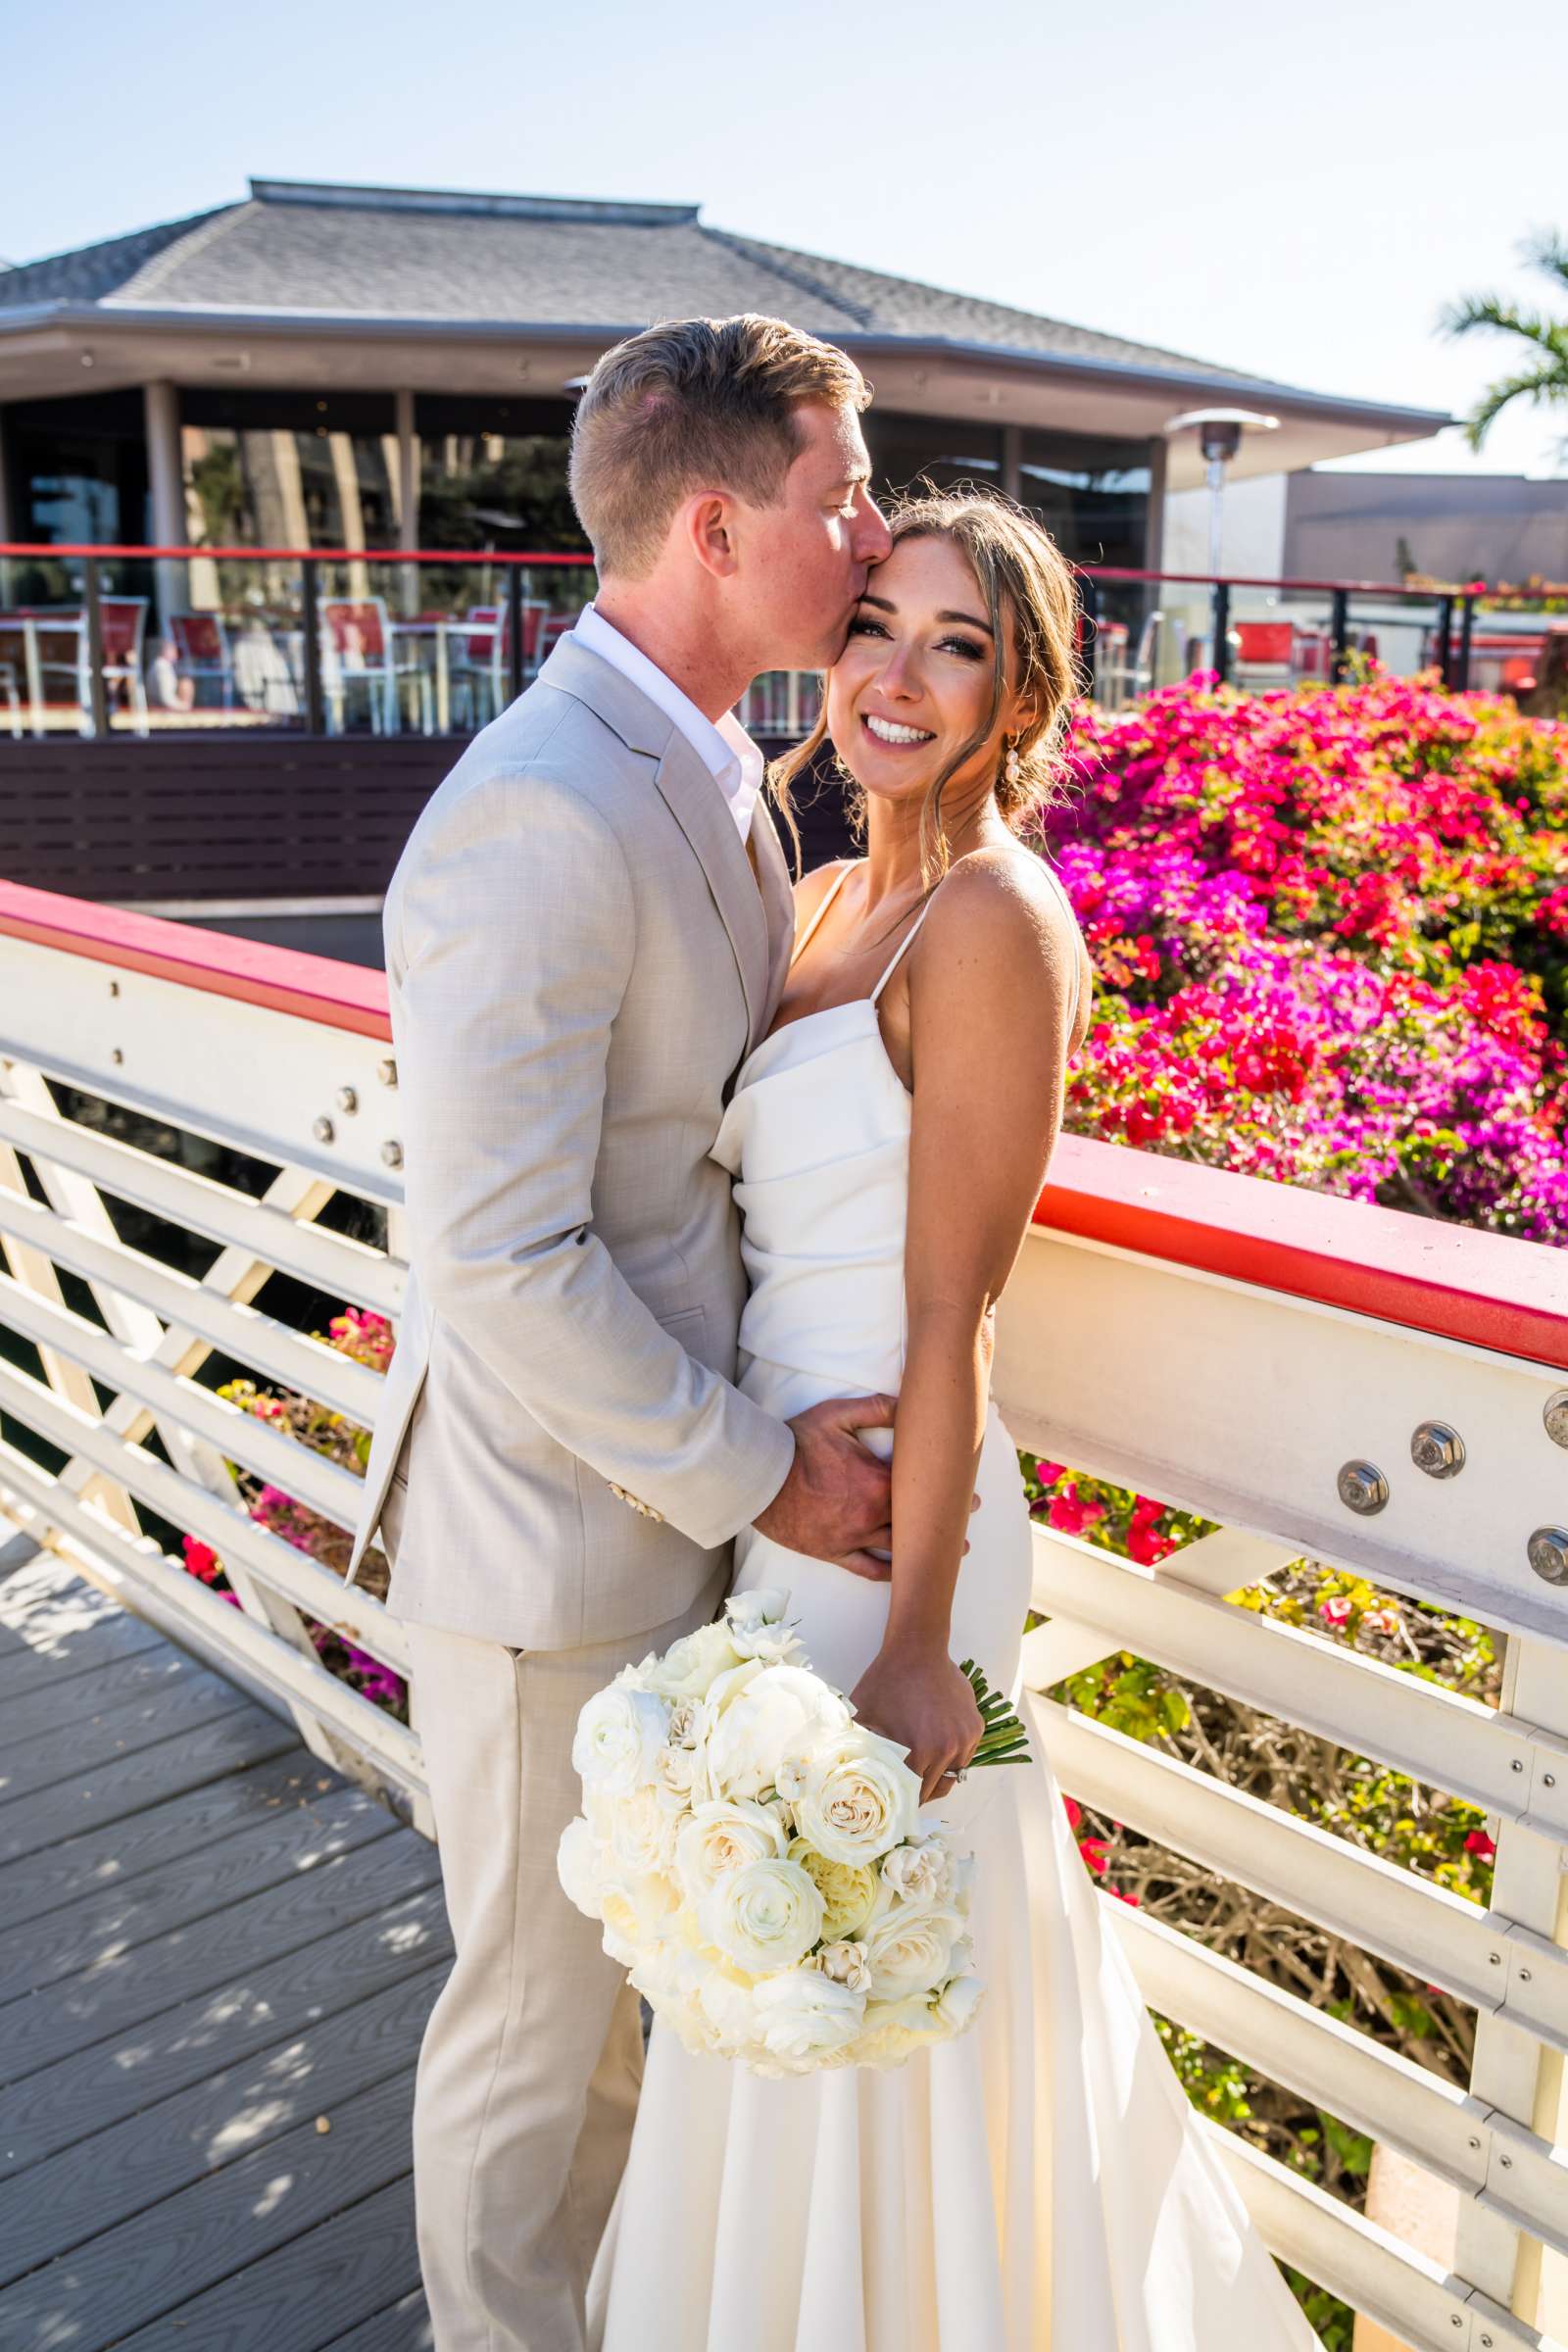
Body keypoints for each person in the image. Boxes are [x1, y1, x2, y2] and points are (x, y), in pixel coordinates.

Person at [586, 491, 1322, 2351]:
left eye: (959, 645)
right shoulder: (829, 895)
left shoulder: (994, 924)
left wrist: (919, 1643)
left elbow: (952, 1304)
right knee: (779, 1932)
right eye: (877, 627)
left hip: (895, 1530)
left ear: (1022, 698)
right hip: (783, 1495)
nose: (899, 677)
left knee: (879, 1922)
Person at [344, 314, 909, 2352]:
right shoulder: (539, 811)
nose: (866, 528)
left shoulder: (714, 771)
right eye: (836, 493)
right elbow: (500, 1261)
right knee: (531, 2033)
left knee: (622, 2021)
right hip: (545, 1546)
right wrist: (769, 1468)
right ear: (707, 521)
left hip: (661, 1518)